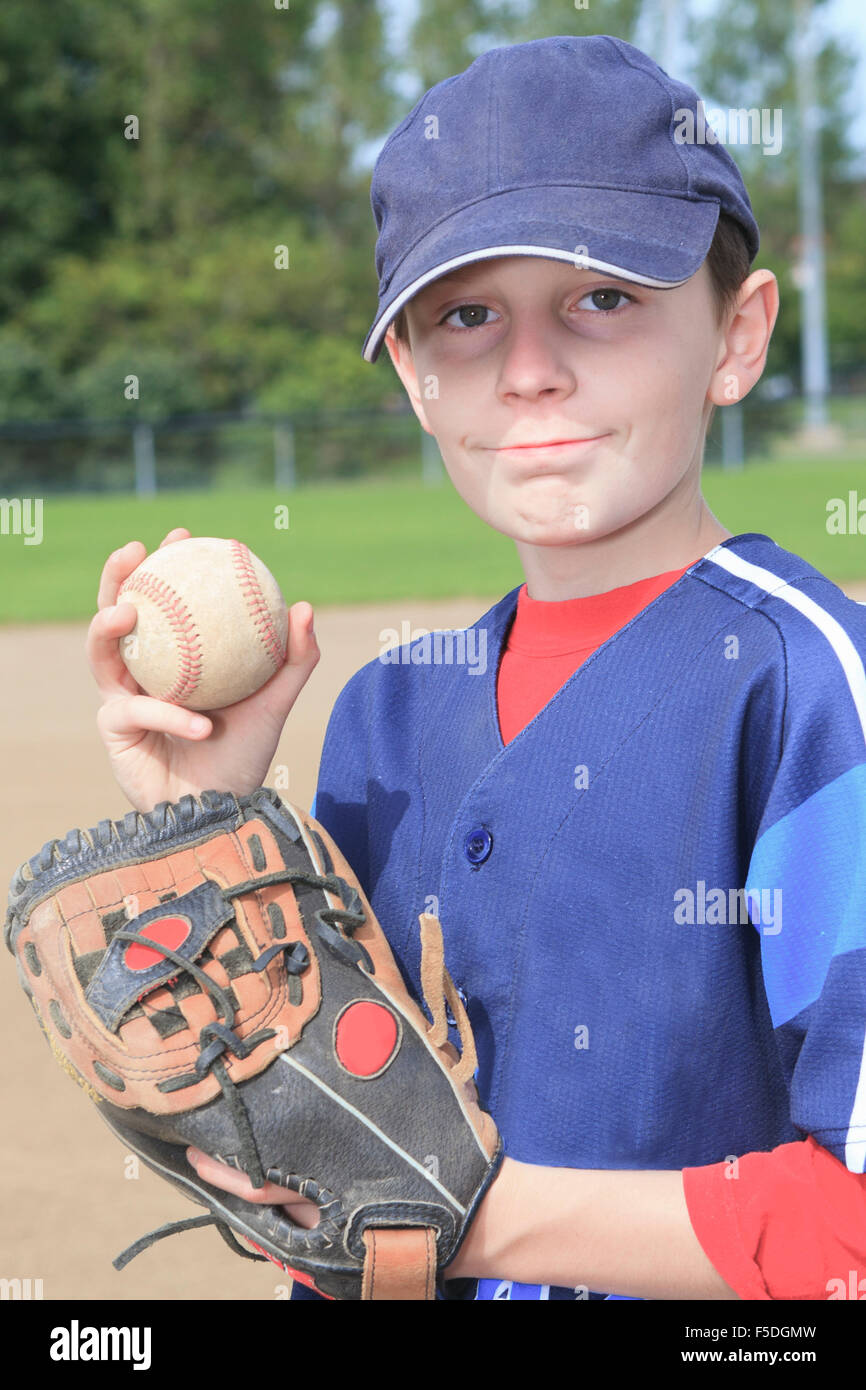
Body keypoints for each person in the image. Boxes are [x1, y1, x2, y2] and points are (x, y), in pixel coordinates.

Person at [88, 35, 866, 1301]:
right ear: (410, 373)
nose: (528, 369)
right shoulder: (386, 720)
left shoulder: (807, 691)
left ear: (736, 332)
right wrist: (212, 820)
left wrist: (451, 1219)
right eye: (465, 315)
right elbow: (332, 1167)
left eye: (603, 295)